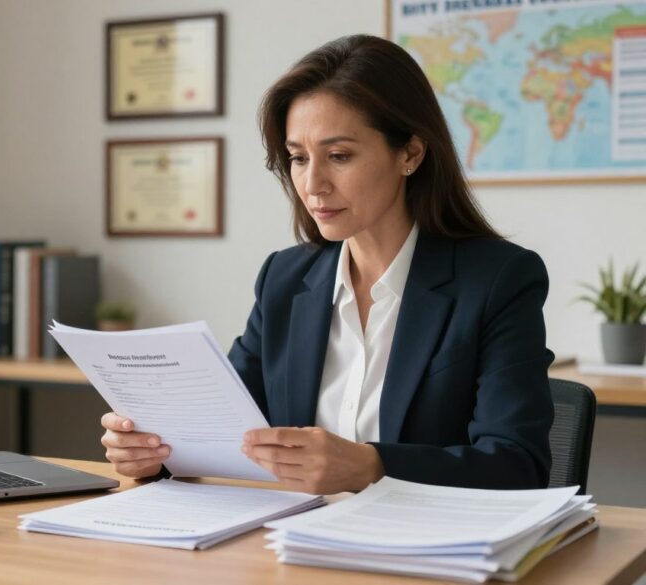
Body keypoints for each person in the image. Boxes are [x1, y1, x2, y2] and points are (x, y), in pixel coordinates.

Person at [99, 34, 554, 494]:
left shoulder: (498, 280)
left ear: (410, 154)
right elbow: (222, 430)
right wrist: (153, 453)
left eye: (338, 156)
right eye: (298, 158)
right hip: (291, 544)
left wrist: (372, 465)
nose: (313, 184)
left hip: (424, 551)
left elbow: (517, 465)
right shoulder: (284, 279)